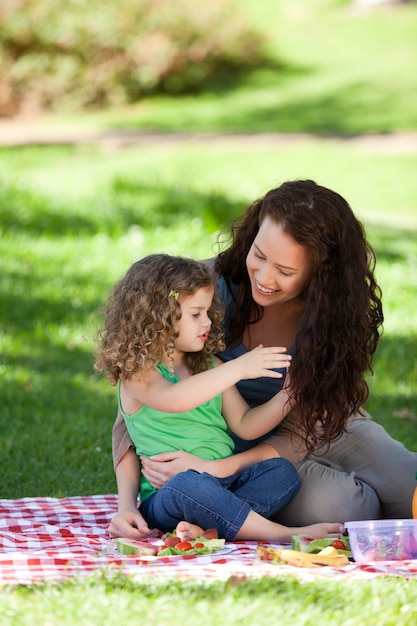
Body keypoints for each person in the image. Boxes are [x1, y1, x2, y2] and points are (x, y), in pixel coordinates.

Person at [110, 179, 417, 540]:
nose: (264, 277)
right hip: (234, 444)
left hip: (319, 422)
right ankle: (361, 522)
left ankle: (384, 514)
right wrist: (128, 504)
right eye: (259, 254)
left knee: (405, 484)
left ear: (321, 275)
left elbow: (303, 430)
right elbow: (135, 413)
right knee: (348, 508)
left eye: (285, 272)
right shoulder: (200, 293)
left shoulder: (335, 317)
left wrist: (219, 468)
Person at [94, 253, 344, 542]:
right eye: (196, 314)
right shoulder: (138, 374)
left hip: (225, 486)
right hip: (170, 494)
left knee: (282, 472)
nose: (208, 322)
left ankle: (210, 528)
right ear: (160, 316)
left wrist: (289, 394)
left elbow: (246, 424)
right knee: (190, 485)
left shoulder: (210, 366)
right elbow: (175, 399)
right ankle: (287, 534)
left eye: (208, 312)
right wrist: (239, 368)